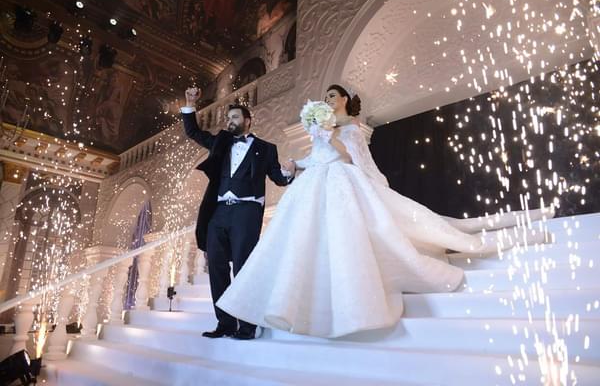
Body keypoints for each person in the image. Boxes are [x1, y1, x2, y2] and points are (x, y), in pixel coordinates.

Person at [216, 84, 553, 338]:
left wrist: (329, 136)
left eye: (333, 95)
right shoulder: (324, 129)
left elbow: (349, 158)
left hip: (342, 183)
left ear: (344, 99)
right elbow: (317, 158)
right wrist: (295, 164)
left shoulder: (350, 128)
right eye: (326, 97)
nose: (328, 99)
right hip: (315, 185)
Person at [181, 87, 294, 340]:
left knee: (243, 267)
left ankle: (247, 325)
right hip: (219, 212)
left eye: (234, 117)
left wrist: (288, 172)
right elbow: (193, 132)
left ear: (247, 121)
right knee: (217, 267)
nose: (229, 121)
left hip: (246, 212)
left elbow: (278, 178)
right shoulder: (221, 142)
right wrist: (189, 104)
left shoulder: (266, 148)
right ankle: (225, 324)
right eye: (228, 118)